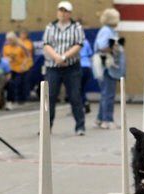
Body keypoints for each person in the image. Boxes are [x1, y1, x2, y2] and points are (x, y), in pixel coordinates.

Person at [42, 1, 86, 136]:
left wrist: (64, 57)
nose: (62, 13)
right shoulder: (50, 27)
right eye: (60, 10)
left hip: (71, 67)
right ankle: (46, 127)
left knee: (75, 96)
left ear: (69, 13)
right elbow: (46, 44)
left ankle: (80, 126)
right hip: (53, 67)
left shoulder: (76, 27)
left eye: (65, 11)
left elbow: (78, 44)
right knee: (49, 97)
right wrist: (56, 57)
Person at [93, 8, 125, 129]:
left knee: (105, 93)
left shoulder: (110, 30)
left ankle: (100, 118)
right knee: (109, 94)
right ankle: (108, 120)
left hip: (109, 65)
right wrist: (115, 46)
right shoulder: (107, 31)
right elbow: (102, 46)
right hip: (107, 66)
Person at [3, 32, 24, 107]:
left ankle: (20, 99)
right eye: (8, 40)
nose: (9, 41)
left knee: (18, 83)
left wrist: (23, 65)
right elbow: (4, 59)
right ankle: (10, 100)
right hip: (10, 69)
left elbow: (25, 57)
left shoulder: (20, 47)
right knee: (10, 84)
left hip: (19, 69)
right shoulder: (6, 47)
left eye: (11, 39)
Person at [18, 28, 34, 102]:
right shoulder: (17, 42)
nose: (23, 35)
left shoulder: (28, 42)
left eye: (25, 34)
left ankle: (26, 96)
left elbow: (28, 51)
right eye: (22, 34)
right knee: (18, 82)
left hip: (27, 65)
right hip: (18, 65)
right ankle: (19, 97)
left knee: (26, 81)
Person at [79, 37, 93, 113]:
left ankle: (82, 103)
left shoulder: (74, 41)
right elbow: (90, 54)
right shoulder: (86, 42)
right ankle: (85, 102)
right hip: (87, 66)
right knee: (82, 87)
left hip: (78, 66)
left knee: (77, 88)